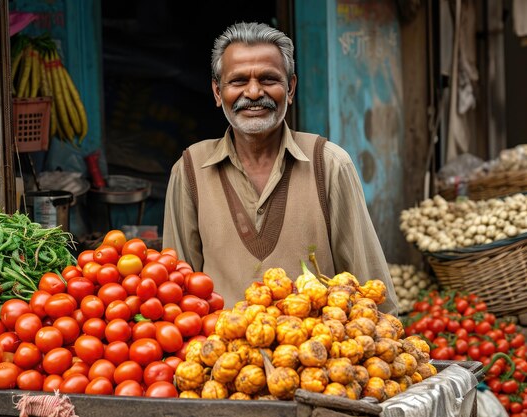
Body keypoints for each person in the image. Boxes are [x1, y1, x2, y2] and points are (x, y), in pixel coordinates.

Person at [163, 22, 398, 314]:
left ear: (290, 88)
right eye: (237, 81)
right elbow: (176, 292)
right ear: (217, 92)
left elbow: (371, 290)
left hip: (317, 354)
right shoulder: (189, 170)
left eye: (268, 79)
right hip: (223, 356)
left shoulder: (330, 164)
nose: (253, 92)